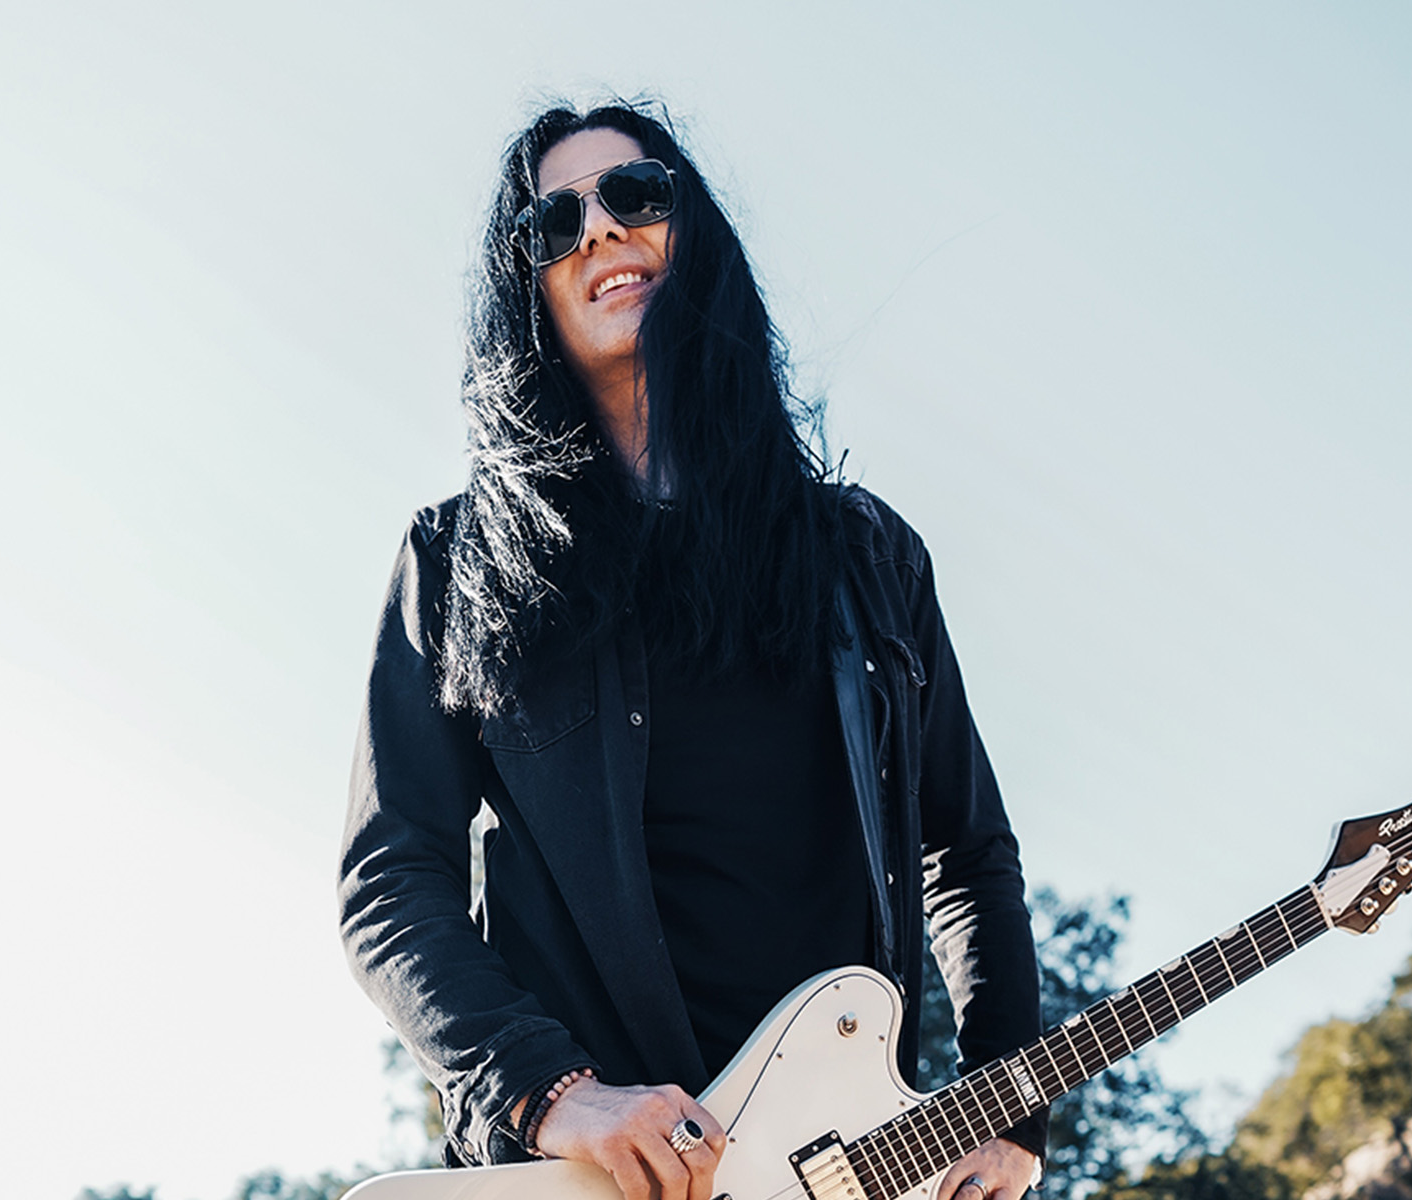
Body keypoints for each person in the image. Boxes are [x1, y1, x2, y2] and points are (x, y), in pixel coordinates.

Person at [338, 101, 1048, 1200]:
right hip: (583, 1172)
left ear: (694, 233)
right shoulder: (458, 559)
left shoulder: (864, 555)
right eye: (552, 225)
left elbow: (965, 851)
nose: (600, 234)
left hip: (835, 1163)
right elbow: (390, 879)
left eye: (636, 196)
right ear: (528, 288)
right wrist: (553, 1093)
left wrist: (1008, 1109)